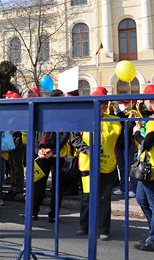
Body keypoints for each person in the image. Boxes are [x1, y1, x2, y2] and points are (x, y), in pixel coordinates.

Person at [71, 88, 122, 241]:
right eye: (102, 103)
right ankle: (84, 226)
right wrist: (88, 150)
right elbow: (75, 139)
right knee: (87, 197)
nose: (105, 106)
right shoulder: (82, 119)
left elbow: (122, 141)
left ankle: (104, 229)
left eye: (106, 103)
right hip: (87, 166)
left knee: (104, 199)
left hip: (107, 166)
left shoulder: (114, 120)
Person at [132, 84, 154, 252]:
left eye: (144, 99)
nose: (143, 103)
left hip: (152, 167)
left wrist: (136, 132)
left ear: (150, 100)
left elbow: (146, 143)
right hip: (146, 166)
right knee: (141, 199)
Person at [32, 89, 70, 222]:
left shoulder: (64, 115)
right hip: (42, 154)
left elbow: (66, 135)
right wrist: (37, 150)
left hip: (57, 155)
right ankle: (33, 212)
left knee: (57, 186)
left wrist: (53, 150)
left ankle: (53, 214)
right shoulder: (41, 113)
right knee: (37, 185)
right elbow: (34, 133)